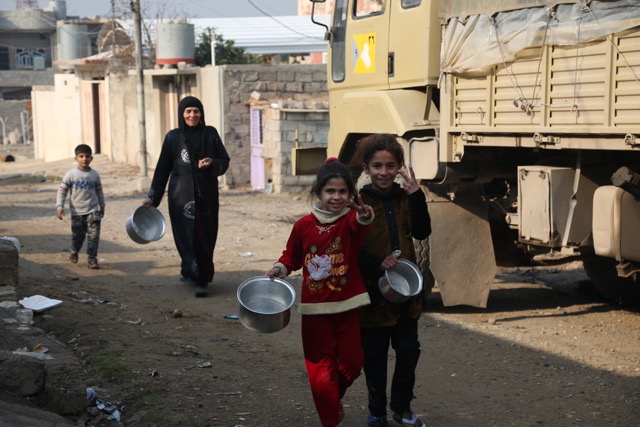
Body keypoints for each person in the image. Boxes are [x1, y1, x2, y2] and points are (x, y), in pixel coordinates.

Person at [266, 158, 374, 427]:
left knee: (353, 363)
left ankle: (331, 402)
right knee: (321, 373)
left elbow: (361, 226)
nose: (336, 197)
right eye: (330, 191)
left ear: (351, 195)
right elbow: (291, 256)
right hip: (315, 312)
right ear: (318, 193)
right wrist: (280, 269)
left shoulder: (349, 221)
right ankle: (329, 419)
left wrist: (364, 216)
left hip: (347, 307)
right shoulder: (303, 225)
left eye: (342, 192)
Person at [354, 134, 431, 427]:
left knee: (409, 351)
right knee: (374, 357)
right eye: (377, 166)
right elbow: (354, 248)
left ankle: (402, 407)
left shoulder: (406, 198)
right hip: (374, 293)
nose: (383, 172)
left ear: (399, 167)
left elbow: (422, 232)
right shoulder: (359, 201)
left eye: (390, 165)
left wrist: (417, 195)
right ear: (366, 168)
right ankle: (376, 412)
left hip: (406, 294)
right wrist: (376, 264)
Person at [143, 96, 230, 298]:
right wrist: (153, 197)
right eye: (188, 111)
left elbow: (224, 160)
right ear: (182, 114)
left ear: (202, 113)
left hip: (206, 196)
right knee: (185, 237)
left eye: (196, 111)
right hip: (180, 197)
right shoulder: (173, 138)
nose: (192, 115)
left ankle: (202, 279)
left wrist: (212, 162)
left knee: (205, 236)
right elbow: (162, 169)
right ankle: (191, 273)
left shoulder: (210, 134)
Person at [56, 144, 106, 270]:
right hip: (77, 211)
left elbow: (99, 192)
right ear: (76, 158)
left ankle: (92, 259)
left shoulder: (94, 175)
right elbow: (62, 191)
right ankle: (74, 251)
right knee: (78, 237)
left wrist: (102, 206)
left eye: (87, 156)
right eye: (81, 156)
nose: (84, 159)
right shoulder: (71, 175)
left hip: (93, 210)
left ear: (91, 158)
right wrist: (59, 206)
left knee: (94, 236)